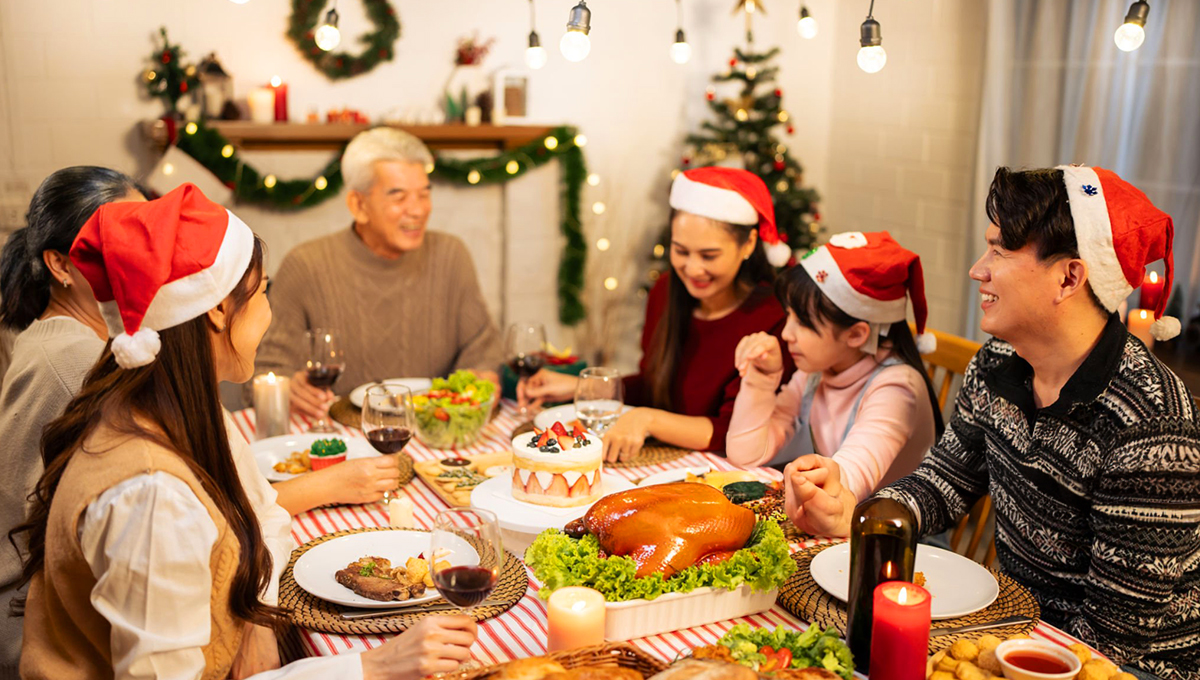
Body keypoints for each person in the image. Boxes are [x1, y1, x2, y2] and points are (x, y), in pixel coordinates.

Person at [14, 184, 476, 679]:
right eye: (261, 294)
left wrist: (252, 617)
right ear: (215, 310)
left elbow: (262, 514)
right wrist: (373, 667)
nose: (270, 312)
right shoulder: (149, 495)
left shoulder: (175, 408)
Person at [791, 166, 1199, 678]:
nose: (977, 269)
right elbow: (945, 481)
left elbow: (1115, 638)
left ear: (1069, 277)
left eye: (1000, 251)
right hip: (1022, 627)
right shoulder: (997, 362)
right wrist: (861, 509)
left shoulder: (1151, 425)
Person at [522, 167, 796, 461]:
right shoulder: (666, 291)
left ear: (749, 244)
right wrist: (582, 387)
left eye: (709, 256)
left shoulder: (774, 318)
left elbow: (731, 431)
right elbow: (655, 386)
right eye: (680, 251)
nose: (691, 269)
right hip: (665, 461)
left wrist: (648, 420)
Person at [0, 167, 147, 676]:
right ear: (60, 264)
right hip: (48, 639)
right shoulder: (72, 360)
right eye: (119, 239)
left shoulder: (80, 339)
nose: (143, 255)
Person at [255, 127, 503, 425]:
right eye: (398, 196)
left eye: (424, 194)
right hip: (341, 439)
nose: (418, 210)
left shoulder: (451, 255)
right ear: (358, 205)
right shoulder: (306, 265)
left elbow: (484, 352)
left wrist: (480, 380)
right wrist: (287, 387)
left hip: (432, 435)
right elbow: (264, 371)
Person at [726, 231, 943, 526]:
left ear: (856, 334)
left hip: (902, 544)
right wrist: (761, 380)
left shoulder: (897, 387)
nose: (786, 334)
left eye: (802, 322)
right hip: (844, 526)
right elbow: (745, 456)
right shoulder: (815, 373)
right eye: (788, 315)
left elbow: (845, 482)